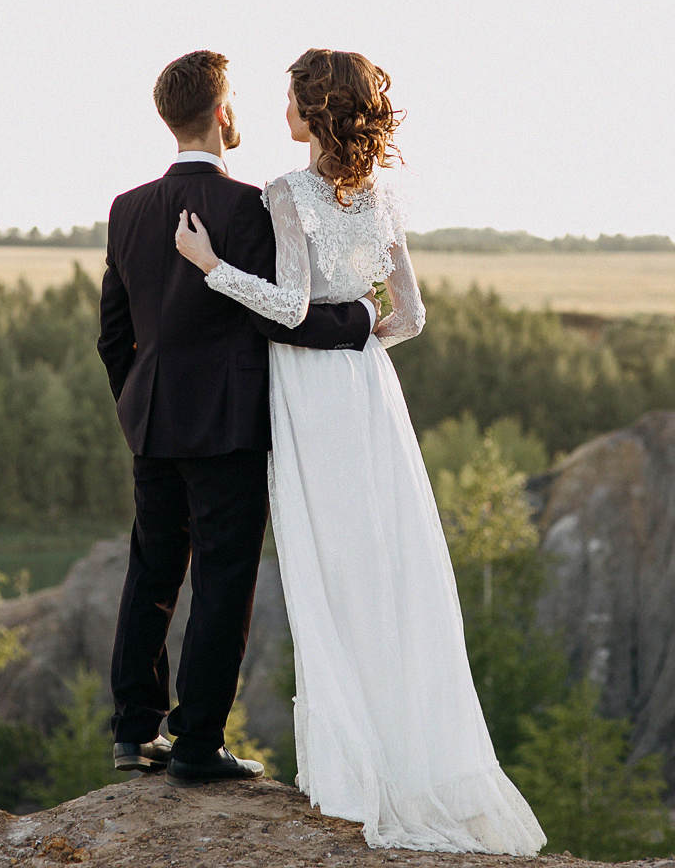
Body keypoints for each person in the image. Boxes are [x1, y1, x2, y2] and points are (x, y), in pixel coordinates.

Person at [175, 48, 546, 852]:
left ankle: (355, 774)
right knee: (381, 563)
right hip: (370, 389)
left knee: (331, 570)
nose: (282, 109)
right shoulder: (381, 194)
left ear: (315, 109)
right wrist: (365, 332)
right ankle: (397, 760)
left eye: (291, 98)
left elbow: (288, 307)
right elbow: (411, 315)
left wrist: (213, 269)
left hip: (311, 391)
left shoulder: (286, 191)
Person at [97, 50, 377, 788]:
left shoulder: (127, 209)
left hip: (152, 423)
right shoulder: (250, 206)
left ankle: (133, 731)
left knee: (152, 569)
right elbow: (280, 315)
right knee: (223, 582)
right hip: (229, 429)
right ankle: (196, 745)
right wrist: (360, 320)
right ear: (222, 114)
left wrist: (138, 400)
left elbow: (113, 334)